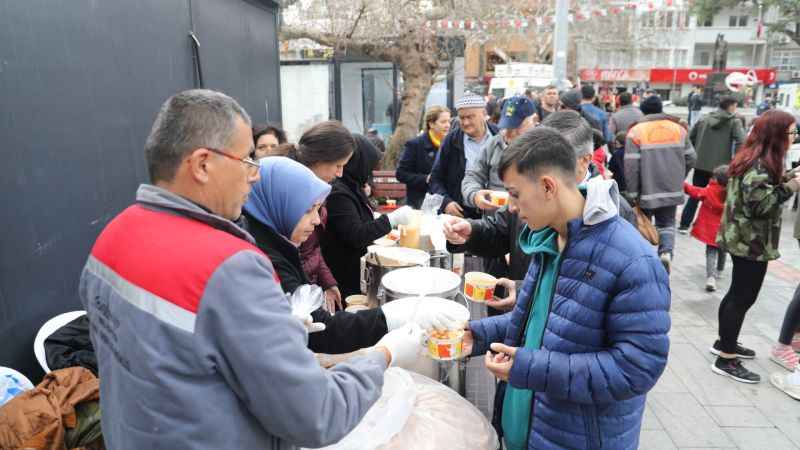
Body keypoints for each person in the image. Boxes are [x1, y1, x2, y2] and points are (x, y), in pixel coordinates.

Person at [78, 89, 425, 449]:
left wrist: (269, 330)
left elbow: (169, 353)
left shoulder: (114, 235)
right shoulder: (229, 267)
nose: (255, 175)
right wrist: (383, 355)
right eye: (246, 159)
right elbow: (317, 414)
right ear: (202, 165)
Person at [459, 126, 670, 450]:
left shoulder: (633, 261)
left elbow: (636, 369)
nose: (511, 206)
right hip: (530, 430)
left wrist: (530, 368)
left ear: (547, 186)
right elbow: (541, 322)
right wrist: (480, 334)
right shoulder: (548, 239)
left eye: (515, 194)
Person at [243, 156, 459, 354]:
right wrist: (395, 316)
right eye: (308, 210)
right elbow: (325, 333)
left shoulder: (277, 242)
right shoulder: (264, 259)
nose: (317, 220)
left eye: (318, 210)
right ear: (280, 203)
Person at [444, 110, 637, 314]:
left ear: (584, 160)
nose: (543, 168)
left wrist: (526, 293)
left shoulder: (613, 211)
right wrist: (469, 232)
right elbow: (500, 231)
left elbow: (598, 297)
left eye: (557, 159)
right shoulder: (528, 192)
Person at [713, 110, 800, 384]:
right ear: (775, 134)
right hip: (749, 242)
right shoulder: (760, 164)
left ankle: (724, 342)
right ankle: (726, 358)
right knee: (742, 298)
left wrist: (787, 178)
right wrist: (793, 186)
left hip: (742, 237)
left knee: (736, 295)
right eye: (790, 132)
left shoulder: (756, 157)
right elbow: (760, 204)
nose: (793, 136)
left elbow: (760, 193)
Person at [323, 135, 415, 298]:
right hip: (345, 276)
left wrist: (376, 217)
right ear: (358, 163)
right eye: (369, 166)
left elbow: (359, 217)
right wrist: (391, 219)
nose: (370, 172)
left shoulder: (353, 185)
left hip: (357, 268)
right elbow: (356, 234)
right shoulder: (339, 193)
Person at [287, 121, 355, 311]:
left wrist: (328, 282)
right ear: (319, 159)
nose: (340, 173)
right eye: (338, 165)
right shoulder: (292, 194)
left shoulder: (319, 190)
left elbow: (314, 248)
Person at [625, 95, 696, 273]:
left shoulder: (636, 131)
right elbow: (691, 157)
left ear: (643, 110)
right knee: (667, 223)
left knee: (644, 224)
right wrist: (679, 176)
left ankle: (646, 259)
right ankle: (666, 253)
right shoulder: (678, 129)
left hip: (645, 190)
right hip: (671, 188)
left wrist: (633, 194)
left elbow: (631, 166)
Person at [678, 96, 745, 234]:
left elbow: (690, 138)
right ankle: (714, 229)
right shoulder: (734, 122)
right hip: (721, 169)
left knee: (695, 194)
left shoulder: (704, 119)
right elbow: (741, 141)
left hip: (700, 163)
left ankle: (684, 225)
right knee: (719, 198)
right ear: (731, 106)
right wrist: (735, 160)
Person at [430, 92, 499, 219]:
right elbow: (435, 179)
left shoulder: (499, 136)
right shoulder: (451, 141)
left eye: (470, 117)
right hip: (461, 214)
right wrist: (446, 202)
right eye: (462, 118)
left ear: (484, 114)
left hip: (495, 215)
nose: (465, 122)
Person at [462, 95, 536, 214]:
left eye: (517, 127)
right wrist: (475, 195)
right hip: (494, 221)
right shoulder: (493, 144)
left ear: (533, 121)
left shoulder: (544, 147)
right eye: (506, 126)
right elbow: (473, 175)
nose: (509, 133)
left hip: (529, 220)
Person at [683, 165, 729, 292]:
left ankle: (711, 278)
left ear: (716, 178)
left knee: (710, 253)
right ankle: (720, 270)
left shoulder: (710, 191)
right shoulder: (731, 195)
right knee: (722, 250)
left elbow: (694, 191)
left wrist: (683, 185)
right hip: (724, 231)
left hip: (710, 231)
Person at [396, 105, 451, 208]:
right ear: (431, 124)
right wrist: (425, 179)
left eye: (449, 121)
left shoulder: (451, 144)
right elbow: (401, 174)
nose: (448, 125)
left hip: (446, 201)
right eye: (443, 122)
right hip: (420, 203)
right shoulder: (415, 144)